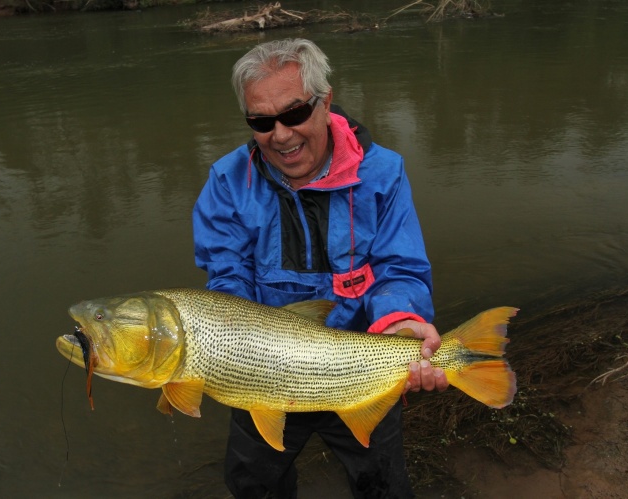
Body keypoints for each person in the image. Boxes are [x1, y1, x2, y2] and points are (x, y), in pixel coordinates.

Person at [192, 38, 448, 499]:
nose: (281, 135)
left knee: (384, 487)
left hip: (359, 367)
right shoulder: (227, 183)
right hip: (260, 373)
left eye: (293, 114)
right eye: (261, 121)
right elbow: (226, 281)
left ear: (325, 101)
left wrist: (402, 317)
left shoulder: (383, 174)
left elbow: (400, 267)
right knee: (253, 485)